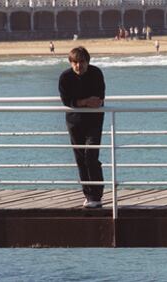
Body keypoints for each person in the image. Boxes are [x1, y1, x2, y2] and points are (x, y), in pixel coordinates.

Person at [59, 46, 106, 208]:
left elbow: (99, 99)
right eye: (75, 63)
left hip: (94, 121)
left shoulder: (96, 73)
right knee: (80, 159)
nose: (79, 66)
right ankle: (88, 194)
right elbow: (67, 101)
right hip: (74, 122)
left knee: (91, 156)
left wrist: (82, 102)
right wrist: (85, 102)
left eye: (82, 62)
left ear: (88, 62)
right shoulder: (65, 77)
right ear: (71, 63)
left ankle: (97, 196)